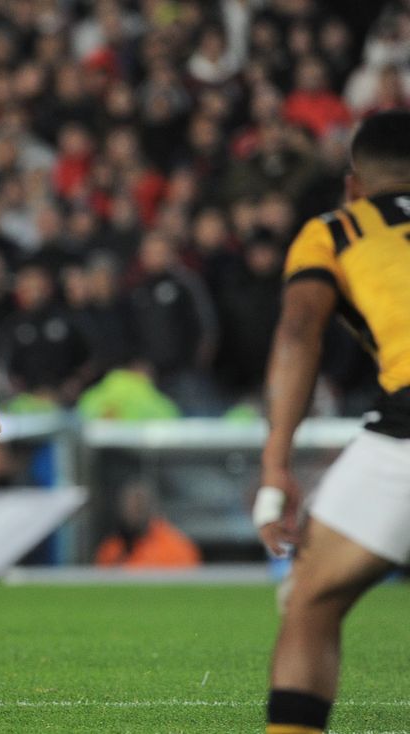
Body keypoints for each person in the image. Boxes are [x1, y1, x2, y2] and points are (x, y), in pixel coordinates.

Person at [255, 110, 410, 734]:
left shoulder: (338, 229)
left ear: (353, 184)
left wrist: (275, 465)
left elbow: (298, 330)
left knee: (309, 599)